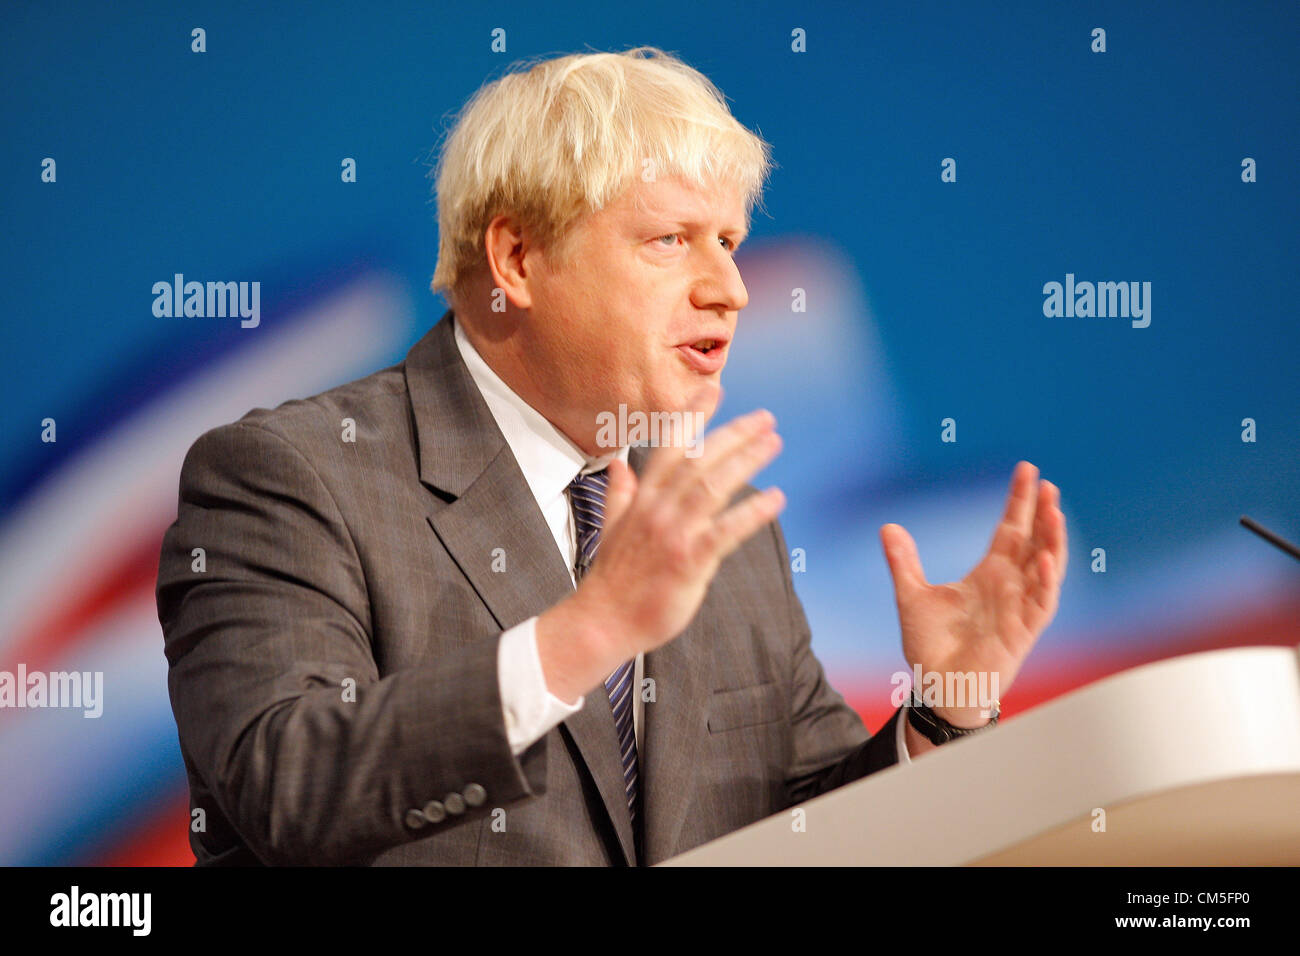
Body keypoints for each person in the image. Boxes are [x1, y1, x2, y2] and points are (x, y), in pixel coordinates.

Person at [156, 46, 1067, 866]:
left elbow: (804, 825)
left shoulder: (709, 526)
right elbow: (286, 786)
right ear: (516, 257)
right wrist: (589, 631)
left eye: (729, 243)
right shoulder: (292, 476)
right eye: (671, 240)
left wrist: (945, 708)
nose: (732, 289)